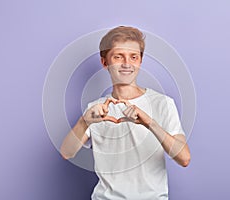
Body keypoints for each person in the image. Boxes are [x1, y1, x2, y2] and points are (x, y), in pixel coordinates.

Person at [60, 26, 191, 199]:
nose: (127, 63)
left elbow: (184, 159)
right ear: (105, 62)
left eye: (133, 57)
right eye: (118, 56)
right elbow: (66, 152)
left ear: (140, 61)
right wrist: (84, 122)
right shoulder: (96, 109)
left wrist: (150, 123)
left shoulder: (163, 103)